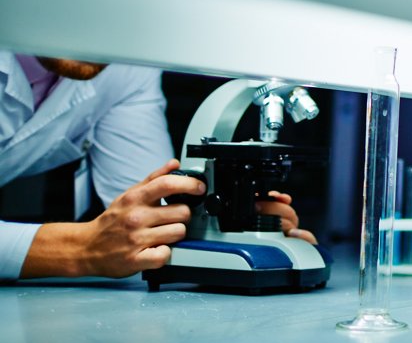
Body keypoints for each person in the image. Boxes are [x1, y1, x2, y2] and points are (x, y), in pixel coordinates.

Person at [1, 52, 315, 281]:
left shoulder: (123, 67)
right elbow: (95, 246)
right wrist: (78, 249)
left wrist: (235, 220)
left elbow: (145, 213)